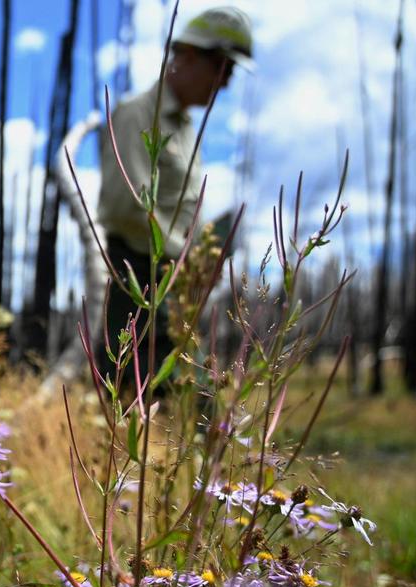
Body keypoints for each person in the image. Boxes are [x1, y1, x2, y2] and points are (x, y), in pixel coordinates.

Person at [96, 6, 252, 383]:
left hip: (172, 284)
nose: (226, 84)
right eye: (224, 69)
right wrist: (183, 258)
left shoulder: (183, 128)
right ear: (191, 56)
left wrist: (200, 256)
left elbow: (181, 212)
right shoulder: (137, 114)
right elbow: (123, 205)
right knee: (141, 397)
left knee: (192, 401)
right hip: (139, 280)